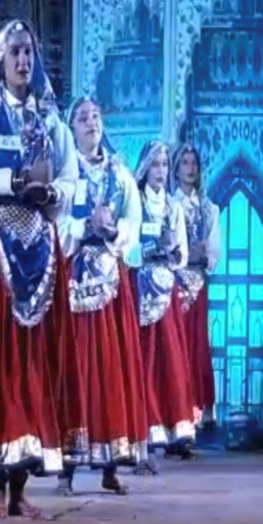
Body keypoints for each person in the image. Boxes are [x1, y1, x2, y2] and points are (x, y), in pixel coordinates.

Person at [0, 19, 85, 519]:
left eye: (29, 52)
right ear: (0, 62)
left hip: (41, 246)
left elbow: (71, 178)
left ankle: (21, 487)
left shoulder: (51, 120)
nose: (24, 61)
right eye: (15, 53)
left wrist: (53, 193)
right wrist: (18, 179)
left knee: (35, 361)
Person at [55, 97, 148, 495]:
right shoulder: (64, 173)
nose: (91, 121)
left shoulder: (120, 173)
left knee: (113, 368)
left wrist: (113, 231)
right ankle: (67, 468)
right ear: (71, 127)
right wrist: (84, 226)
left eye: (95, 115)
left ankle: (111, 465)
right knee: (74, 368)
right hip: (73, 279)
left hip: (111, 280)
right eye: (82, 117)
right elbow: (56, 221)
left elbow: (134, 221)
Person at [125, 140, 196, 475]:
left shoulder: (173, 206)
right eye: (155, 164)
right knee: (140, 362)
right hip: (138, 289)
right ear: (144, 168)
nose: (161, 171)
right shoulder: (135, 201)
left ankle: (159, 435)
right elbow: (128, 247)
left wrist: (173, 253)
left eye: (165, 165)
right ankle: (137, 439)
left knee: (165, 365)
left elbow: (182, 252)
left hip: (165, 292)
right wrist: (148, 249)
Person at [170, 143, 220, 458]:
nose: (190, 168)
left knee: (195, 350)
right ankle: (171, 423)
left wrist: (200, 255)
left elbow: (212, 252)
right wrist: (186, 253)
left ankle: (190, 425)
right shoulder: (169, 204)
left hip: (197, 286)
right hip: (173, 286)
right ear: (176, 170)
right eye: (185, 163)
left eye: (194, 163)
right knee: (175, 353)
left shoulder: (208, 208)